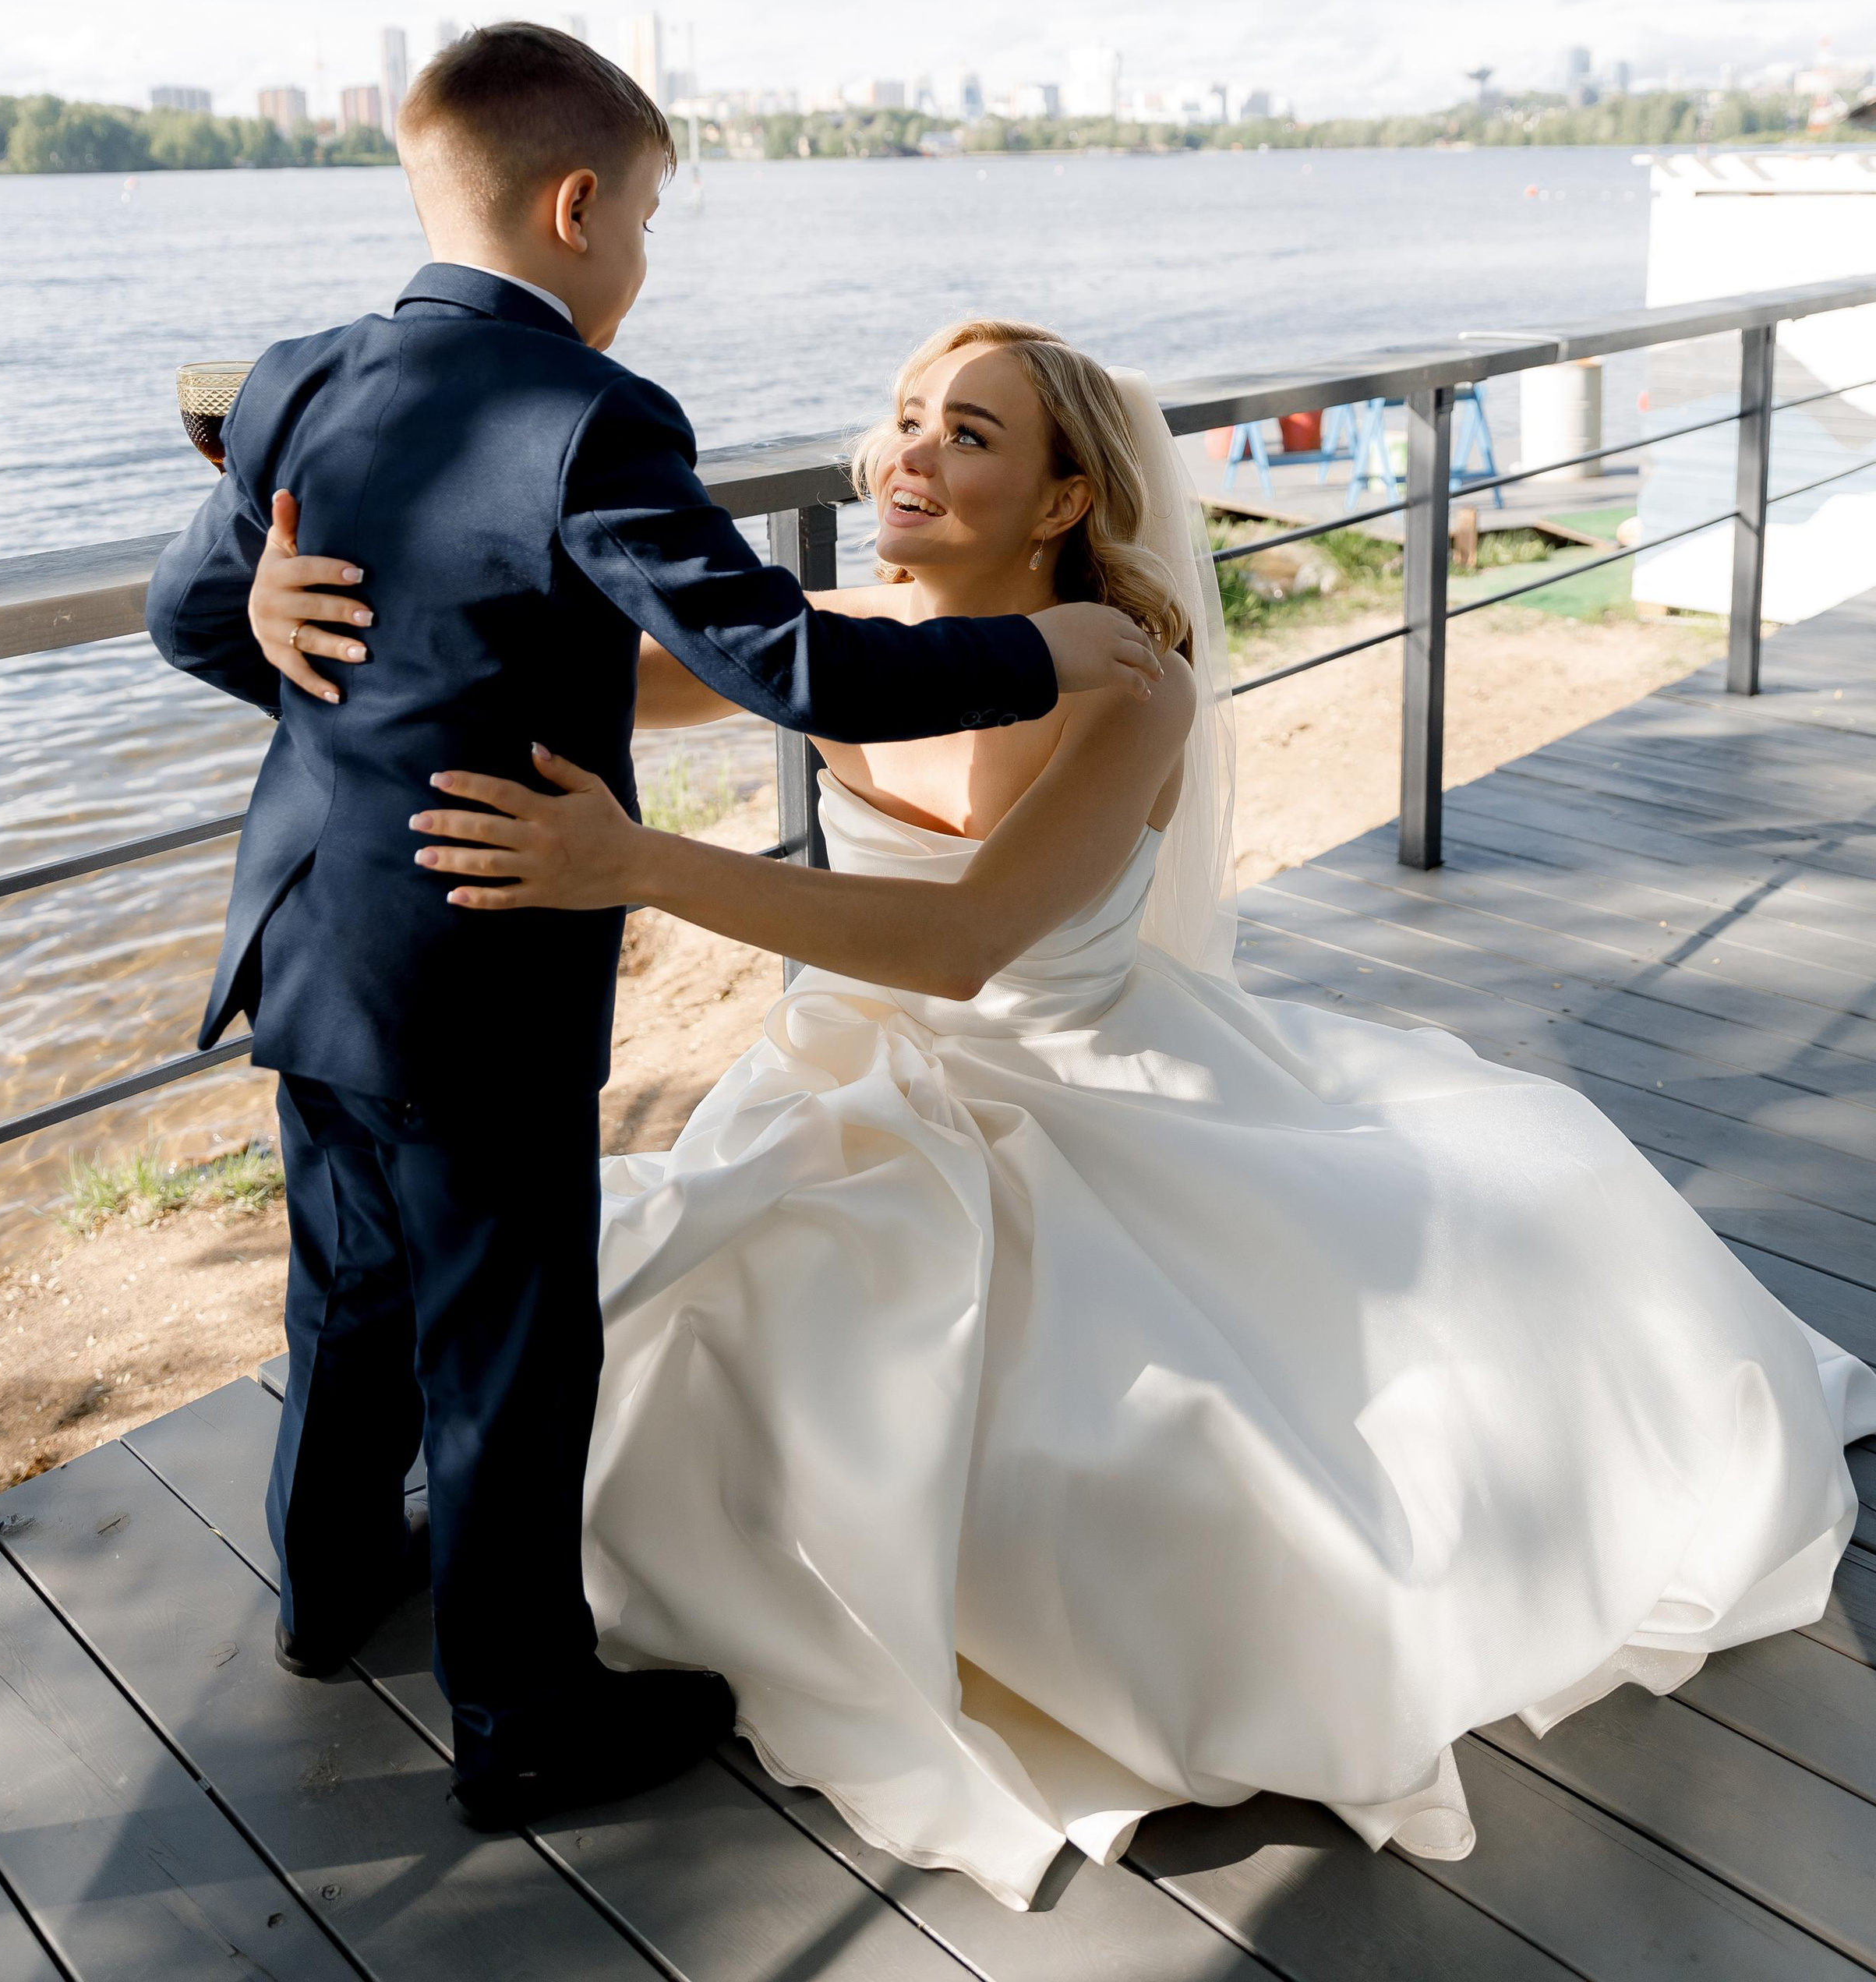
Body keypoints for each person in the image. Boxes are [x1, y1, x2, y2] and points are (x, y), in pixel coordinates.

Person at [256, 313, 1876, 1909]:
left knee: (1123, 1445)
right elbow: (528, 672)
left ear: (1059, 502)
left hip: (1071, 1080)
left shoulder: (1127, 686)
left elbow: (957, 948)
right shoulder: (834, 625)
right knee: (664, 1344)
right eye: (903, 413)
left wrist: (637, 866)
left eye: (968, 432)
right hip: (845, 1076)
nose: (909, 449)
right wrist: (279, 606)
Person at [145, 32, 1161, 1838]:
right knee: (508, 1349)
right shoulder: (593, 416)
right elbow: (781, 659)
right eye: (651, 220)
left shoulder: (301, 376)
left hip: (306, 945)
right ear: (579, 204)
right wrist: (1039, 647)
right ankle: (521, 1717)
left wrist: (266, 621)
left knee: (347, 1298)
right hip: (478, 958)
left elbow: (187, 618)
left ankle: (317, 1598)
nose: (643, 264)